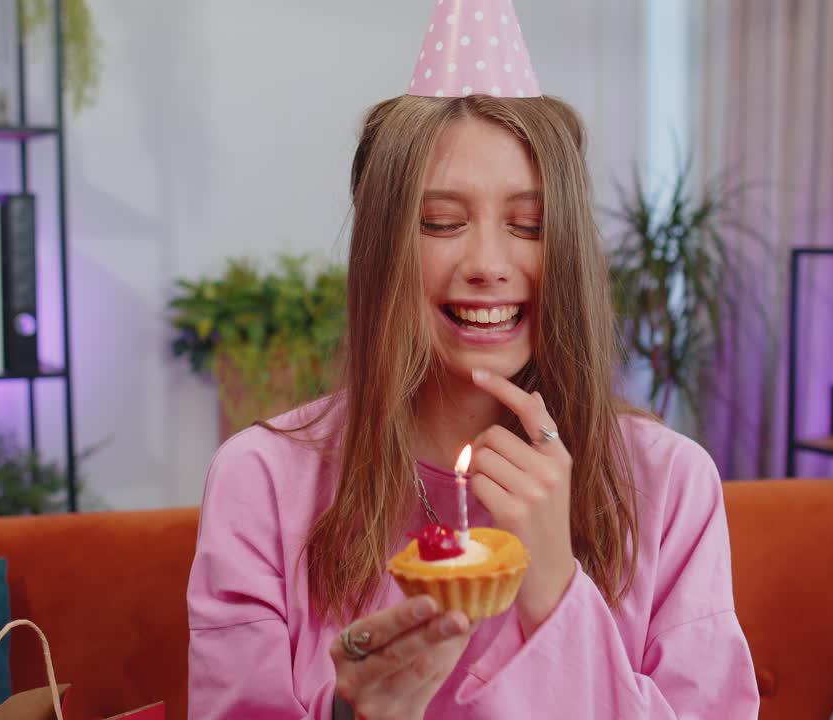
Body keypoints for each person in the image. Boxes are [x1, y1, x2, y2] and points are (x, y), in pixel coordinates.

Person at [187, 4, 759, 718]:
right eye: (441, 223)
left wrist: (553, 583)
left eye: (529, 225)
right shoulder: (261, 482)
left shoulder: (669, 484)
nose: (489, 264)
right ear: (381, 249)